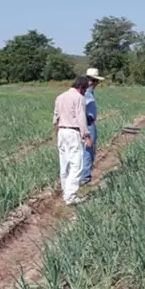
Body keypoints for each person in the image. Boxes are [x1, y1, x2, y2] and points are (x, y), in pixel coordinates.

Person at [53, 76, 93, 205]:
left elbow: (56, 117)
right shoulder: (79, 98)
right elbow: (81, 118)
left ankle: (66, 192)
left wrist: (57, 131)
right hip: (73, 132)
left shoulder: (60, 97)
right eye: (85, 89)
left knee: (64, 164)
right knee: (76, 165)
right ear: (81, 87)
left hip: (61, 132)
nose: (85, 92)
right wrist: (86, 135)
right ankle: (70, 196)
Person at [80, 68, 104, 185]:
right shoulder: (85, 93)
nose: (95, 83)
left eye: (96, 81)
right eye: (93, 80)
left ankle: (84, 174)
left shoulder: (89, 92)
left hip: (89, 123)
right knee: (88, 150)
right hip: (87, 124)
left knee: (88, 149)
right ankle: (84, 176)